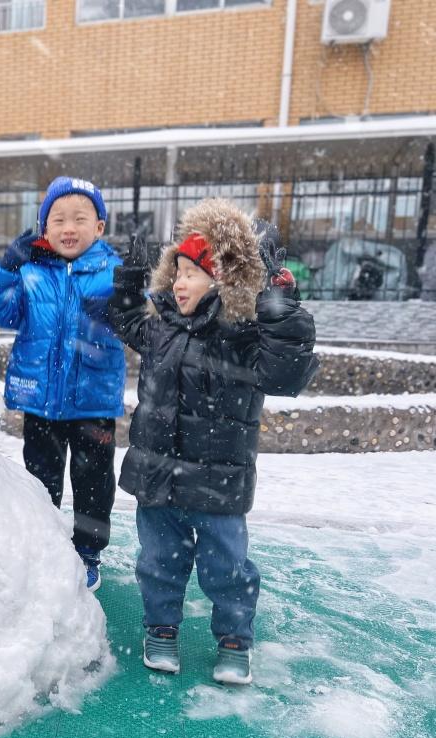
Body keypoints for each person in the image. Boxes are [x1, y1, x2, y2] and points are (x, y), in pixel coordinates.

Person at [109, 198, 318, 685]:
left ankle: (233, 638)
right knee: (159, 563)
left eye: (192, 273)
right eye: (175, 271)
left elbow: (287, 374)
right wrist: (128, 278)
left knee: (227, 568)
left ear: (222, 281)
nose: (179, 282)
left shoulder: (243, 336)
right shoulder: (161, 327)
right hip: (159, 478)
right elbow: (121, 319)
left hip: (219, 486)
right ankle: (161, 629)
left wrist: (281, 312)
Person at [0, 177, 125, 591]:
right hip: (40, 400)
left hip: (93, 400)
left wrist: (132, 291)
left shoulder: (114, 270)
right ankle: (43, 543)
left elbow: (137, 324)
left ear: (100, 227)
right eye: (57, 219)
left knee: (94, 482)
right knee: (40, 480)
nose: (68, 227)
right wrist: (5, 268)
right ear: (44, 228)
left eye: (80, 217)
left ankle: (88, 552)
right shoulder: (30, 271)